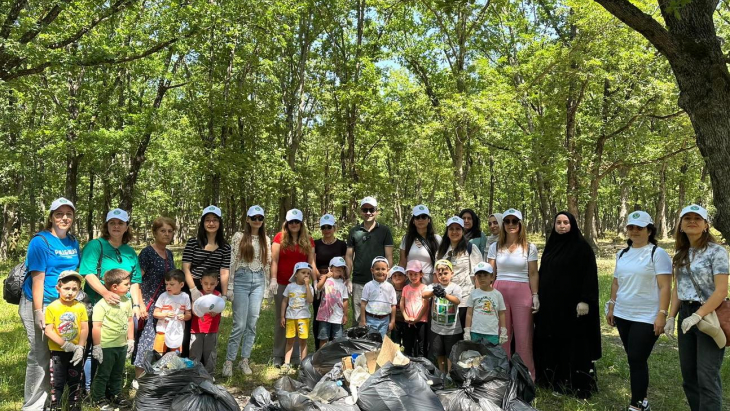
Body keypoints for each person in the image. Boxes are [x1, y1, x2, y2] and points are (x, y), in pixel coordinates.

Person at [606, 211, 671, 411]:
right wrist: (611, 305)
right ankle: (642, 401)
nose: (634, 231)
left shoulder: (657, 254)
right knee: (634, 358)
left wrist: (662, 314)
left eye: (639, 228)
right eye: (631, 227)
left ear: (649, 230)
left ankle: (638, 404)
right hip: (623, 314)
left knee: (636, 357)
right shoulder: (622, 253)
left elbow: (665, 286)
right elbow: (617, 282)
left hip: (647, 315)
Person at [20, 197, 80, 411]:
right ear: (51, 217)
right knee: (40, 354)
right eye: (59, 214)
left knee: (57, 352)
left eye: (68, 214)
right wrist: (38, 312)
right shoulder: (40, 241)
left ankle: (53, 400)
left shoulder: (73, 241)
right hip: (39, 302)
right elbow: (38, 280)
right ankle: (33, 406)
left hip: (63, 304)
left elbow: (74, 274)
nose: (64, 218)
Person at [666, 204, 728, 411]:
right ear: (681, 225)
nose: (692, 221)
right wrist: (670, 316)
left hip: (710, 315)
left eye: (697, 218)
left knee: (706, 375)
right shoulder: (680, 252)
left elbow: (720, 291)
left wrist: (698, 316)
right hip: (685, 314)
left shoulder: (717, 251)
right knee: (689, 375)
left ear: (705, 225)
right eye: (687, 218)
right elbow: (678, 288)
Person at [533, 211, 601, 398]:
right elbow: (543, 272)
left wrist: (585, 300)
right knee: (551, 341)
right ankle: (552, 380)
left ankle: (573, 383)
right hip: (551, 306)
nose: (562, 226)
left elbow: (589, 275)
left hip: (573, 308)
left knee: (571, 345)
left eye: (566, 222)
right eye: (558, 222)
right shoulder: (551, 245)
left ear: (572, 225)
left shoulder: (582, 247)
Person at [487, 208, 539, 380]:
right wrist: (488, 293)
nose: (511, 225)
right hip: (500, 290)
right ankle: (502, 375)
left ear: (520, 224)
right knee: (502, 334)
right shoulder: (495, 246)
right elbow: (490, 271)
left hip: (522, 291)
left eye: (514, 221)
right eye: (507, 221)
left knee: (523, 336)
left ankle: (526, 377)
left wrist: (535, 295)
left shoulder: (529, 247)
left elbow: (533, 273)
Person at [224, 205, 271, 376]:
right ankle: (229, 361)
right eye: (254, 218)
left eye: (260, 218)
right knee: (240, 324)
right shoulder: (239, 237)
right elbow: (232, 262)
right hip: (241, 280)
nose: (257, 221)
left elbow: (267, 264)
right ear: (248, 219)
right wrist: (230, 286)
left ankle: (244, 360)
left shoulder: (266, 239)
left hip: (258, 281)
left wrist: (267, 287)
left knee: (252, 323)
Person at [182, 205, 231, 357]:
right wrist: (193, 290)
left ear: (219, 223)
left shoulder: (225, 247)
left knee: (210, 321)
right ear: (203, 223)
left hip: (212, 288)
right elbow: (185, 267)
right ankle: (188, 361)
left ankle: (207, 364)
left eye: (215, 220)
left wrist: (223, 294)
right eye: (208, 220)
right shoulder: (193, 242)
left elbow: (224, 271)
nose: (211, 223)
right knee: (190, 325)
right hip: (194, 285)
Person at [270, 208, 316, 367]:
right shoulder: (279, 238)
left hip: (302, 286)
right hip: (283, 283)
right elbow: (274, 260)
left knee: (299, 318)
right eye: (291, 222)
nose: (294, 224)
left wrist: (314, 281)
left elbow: (311, 262)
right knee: (282, 319)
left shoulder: (308, 240)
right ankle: (278, 354)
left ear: (301, 223)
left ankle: (296, 356)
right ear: (286, 223)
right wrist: (273, 278)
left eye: (297, 221)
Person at [133, 216, 176, 378]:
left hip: (165, 306)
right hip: (149, 305)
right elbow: (136, 280)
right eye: (162, 231)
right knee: (145, 342)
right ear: (155, 232)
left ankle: (156, 376)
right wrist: (140, 305)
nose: (166, 234)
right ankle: (139, 378)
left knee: (161, 341)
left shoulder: (169, 254)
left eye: (170, 231)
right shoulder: (147, 253)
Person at [90, 269, 134, 410]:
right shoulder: (101, 305)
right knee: (103, 373)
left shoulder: (127, 301)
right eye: (126, 284)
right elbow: (96, 326)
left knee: (117, 372)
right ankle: (98, 399)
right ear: (114, 286)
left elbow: (130, 321)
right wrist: (97, 346)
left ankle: (115, 395)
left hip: (121, 344)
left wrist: (131, 340)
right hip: (106, 346)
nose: (129, 286)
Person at [44, 271, 88, 411]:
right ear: (58, 288)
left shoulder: (80, 306)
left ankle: (73, 404)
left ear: (79, 290)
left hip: (76, 352)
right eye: (66, 288)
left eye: (74, 289)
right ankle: (55, 405)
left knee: (75, 378)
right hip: (58, 352)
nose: (70, 292)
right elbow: (48, 330)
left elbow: (84, 328)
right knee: (57, 380)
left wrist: (80, 347)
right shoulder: (52, 307)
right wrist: (65, 344)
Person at [347, 196, 394, 323]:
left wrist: (388, 276)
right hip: (359, 281)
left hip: (380, 282)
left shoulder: (384, 231)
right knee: (358, 319)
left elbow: (389, 255)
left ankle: (378, 343)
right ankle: (359, 343)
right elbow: (349, 256)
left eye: (371, 209)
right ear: (361, 211)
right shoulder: (354, 232)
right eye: (365, 209)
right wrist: (348, 278)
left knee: (379, 316)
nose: (368, 213)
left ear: (376, 211)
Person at [437, 216, 483, 329]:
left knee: (463, 332)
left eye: (458, 229)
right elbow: (436, 273)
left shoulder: (471, 248)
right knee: (447, 333)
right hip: (445, 298)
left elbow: (477, 275)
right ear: (447, 231)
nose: (454, 232)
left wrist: (478, 298)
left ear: (463, 231)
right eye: (451, 229)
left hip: (465, 299)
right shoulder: (441, 250)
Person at [313, 213, 347, 349]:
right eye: (324, 227)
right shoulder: (316, 244)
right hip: (321, 280)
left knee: (336, 313)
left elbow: (346, 263)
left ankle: (334, 350)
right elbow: (313, 262)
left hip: (337, 282)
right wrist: (318, 278)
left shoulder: (341, 244)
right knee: (320, 314)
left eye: (329, 227)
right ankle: (319, 350)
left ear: (334, 228)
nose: (326, 230)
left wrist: (346, 278)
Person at [423, 259, 463, 373]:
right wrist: (433, 292)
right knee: (439, 352)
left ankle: (450, 373)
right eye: (439, 274)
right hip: (437, 328)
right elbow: (424, 295)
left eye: (445, 273)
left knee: (450, 352)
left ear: (452, 274)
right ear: (436, 274)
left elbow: (457, 301)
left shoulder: (455, 287)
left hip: (452, 329)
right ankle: (442, 372)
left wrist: (445, 295)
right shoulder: (433, 286)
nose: (443, 276)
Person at [280, 262, 315, 374]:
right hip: (291, 317)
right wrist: (282, 316)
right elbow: (285, 301)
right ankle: (286, 363)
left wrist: (307, 286)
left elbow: (310, 300)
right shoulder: (290, 286)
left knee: (303, 341)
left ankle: (303, 363)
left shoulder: (309, 287)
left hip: (303, 318)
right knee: (290, 340)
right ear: (296, 274)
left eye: (308, 274)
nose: (306, 275)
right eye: (303, 273)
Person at [464, 262, 506, 346]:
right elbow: (469, 313)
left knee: (491, 356)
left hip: (492, 332)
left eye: (485, 275)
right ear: (476, 278)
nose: (482, 278)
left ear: (492, 277)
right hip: (475, 332)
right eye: (479, 276)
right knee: (476, 356)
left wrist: (503, 331)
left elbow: (501, 313)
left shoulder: (497, 294)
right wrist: (467, 331)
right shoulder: (474, 293)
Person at [399, 205, 441, 285]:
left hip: (430, 282)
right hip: (411, 282)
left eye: (424, 217)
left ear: (428, 220)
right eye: (417, 217)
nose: (420, 220)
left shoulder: (437, 239)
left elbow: (440, 263)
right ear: (413, 221)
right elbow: (402, 262)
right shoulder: (406, 239)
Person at [190, 270, 222, 374]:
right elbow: (193, 307)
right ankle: (193, 374)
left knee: (210, 353)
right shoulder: (197, 295)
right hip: (196, 329)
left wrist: (216, 312)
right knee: (195, 353)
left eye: (212, 284)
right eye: (206, 283)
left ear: (217, 283)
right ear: (201, 282)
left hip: (211, 330)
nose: (208, 287)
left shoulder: (218, 295)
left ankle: (209, 375)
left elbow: (220, 307)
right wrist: (199, 313)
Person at [153, 269, 192, 354]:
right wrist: (165, 314)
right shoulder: (163, 296)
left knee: (175, 354)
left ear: (181, 284)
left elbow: (189, 314)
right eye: (166, 284)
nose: (168, 287)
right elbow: (155, 313)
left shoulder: (185, 297)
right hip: (162, 330)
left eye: (172, 284)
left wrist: (184, 317)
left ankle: (172, 367)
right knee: (158, 353)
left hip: (177, 331)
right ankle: (157, 366)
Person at [359, 256, 397, 339]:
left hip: (385, 320)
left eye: (383, 269)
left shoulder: (390, 287)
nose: (380, 272)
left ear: (388, 270)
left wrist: (392, 321)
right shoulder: (368, 286)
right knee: (370, 341)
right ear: (372, 270)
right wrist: (363, 320)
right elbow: (363, 303)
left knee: (381, 341)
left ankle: (380, 352)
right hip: (371, 319)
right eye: (377, 269)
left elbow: (393, 305)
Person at [315, 257, 349, 347]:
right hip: (324, 316)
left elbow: (345, 300)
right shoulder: (326, 280)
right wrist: (326, 276)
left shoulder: (343, 284)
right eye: (337, 267)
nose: (340, 269)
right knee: (323, 338)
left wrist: (345, 315)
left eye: (342, 268)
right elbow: (318, 287)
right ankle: (321, 358)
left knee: (337, 340)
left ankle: (334, 358)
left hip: (338, 316)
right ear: (330, 268)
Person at [401, 260, 429, 357]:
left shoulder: (424, 288)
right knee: (408, 344)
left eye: (416, 274)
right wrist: (405, 316)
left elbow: (425, 305)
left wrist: (417, 319)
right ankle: (409, 364)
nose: (413, 277)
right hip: (408, 321)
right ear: (407, 274)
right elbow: (402, 303)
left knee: (422, 344)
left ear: (421, 274)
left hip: (421, 320)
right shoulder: (405, 288)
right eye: (410, 274)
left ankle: (422, 365)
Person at [389, 265, 408, 345]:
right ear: (391, 278)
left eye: (400, 275)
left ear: (405, 277)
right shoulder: (390, 290)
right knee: (395, 343)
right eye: (395, 275)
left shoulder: (408, 289)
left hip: (406, 321)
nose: (397, 277)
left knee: (407, 342)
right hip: (395, 321)